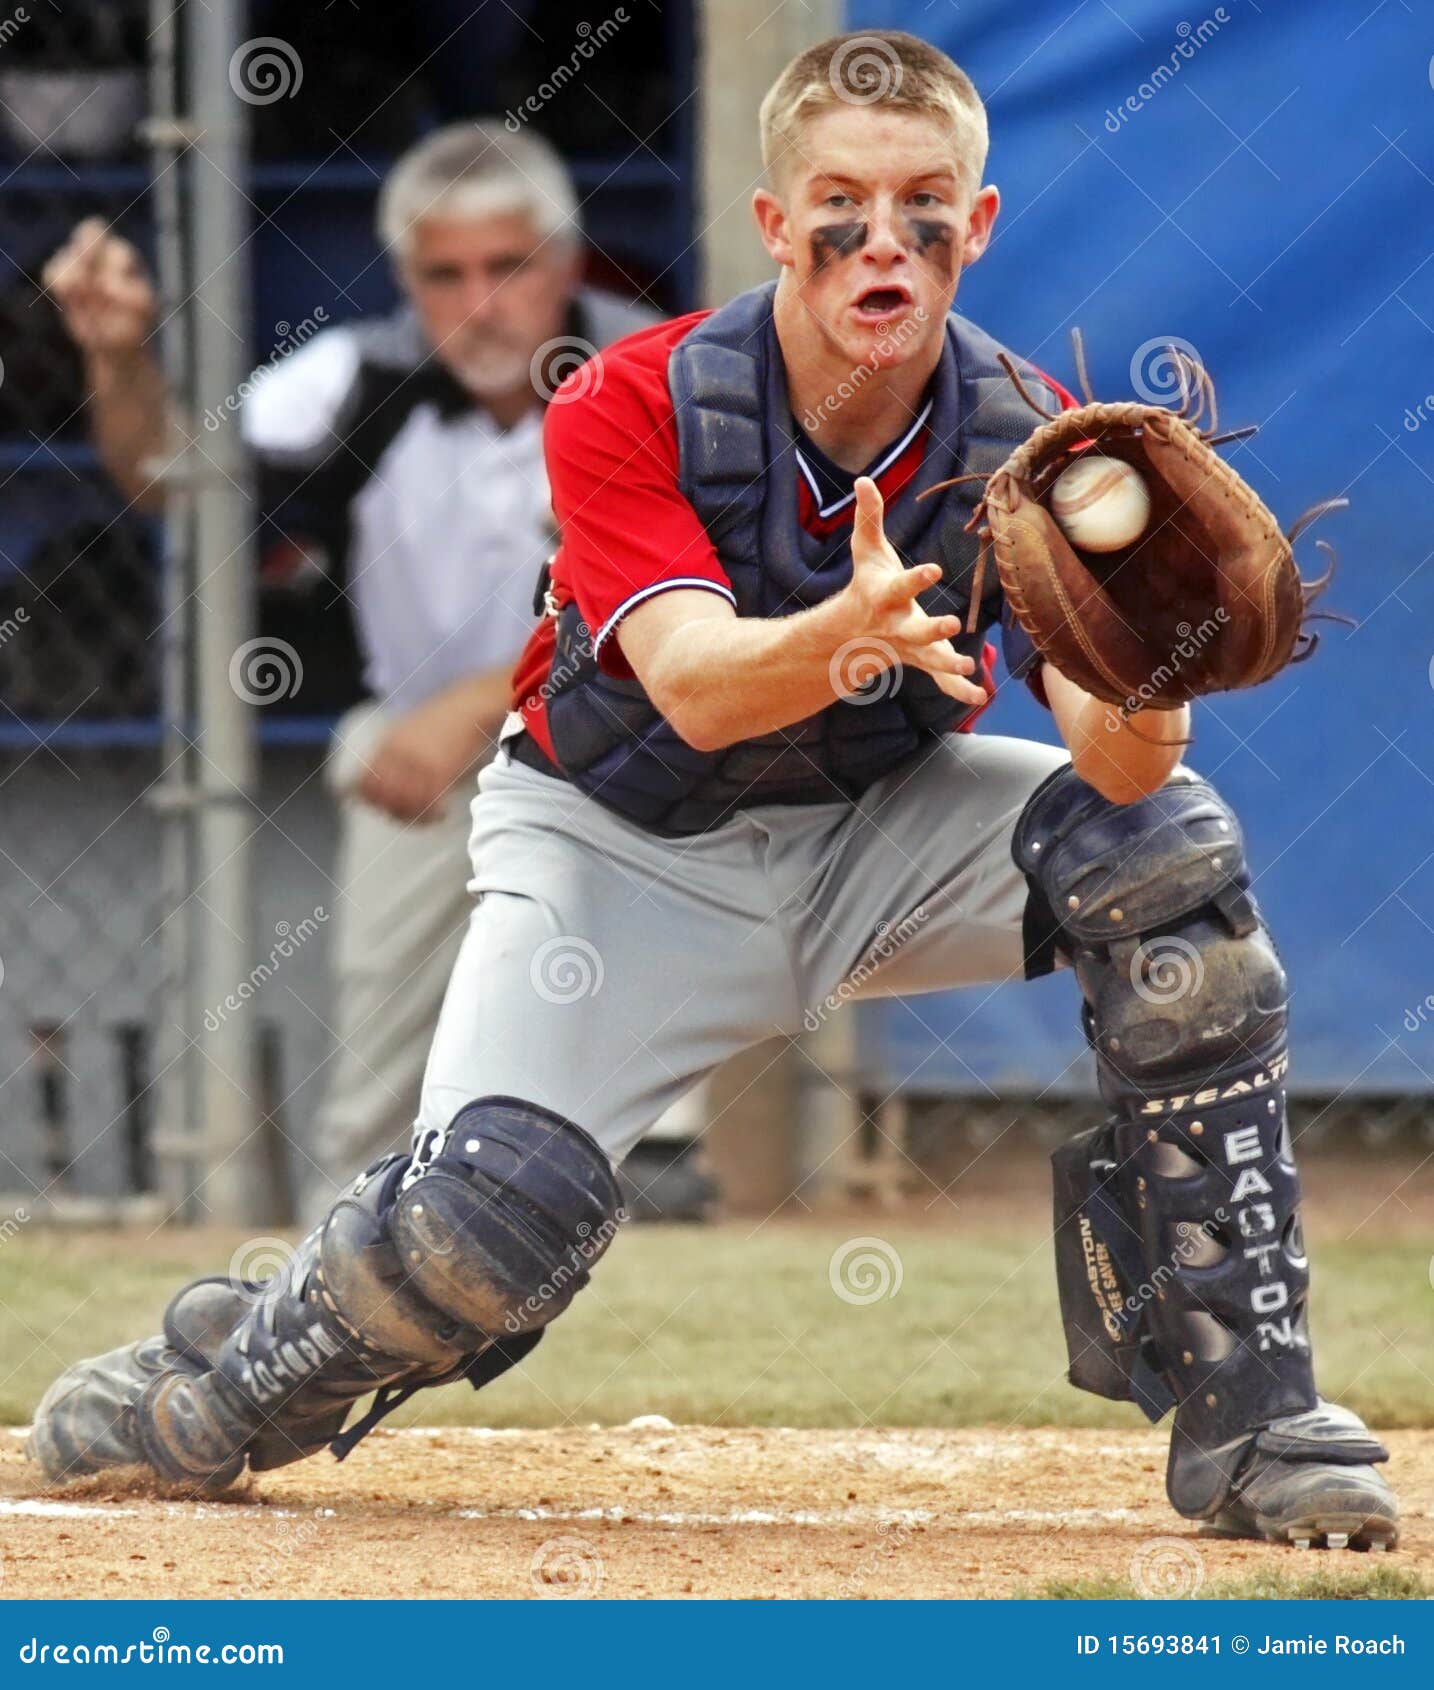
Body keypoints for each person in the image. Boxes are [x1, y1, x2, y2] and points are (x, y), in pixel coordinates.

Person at [30, 32, 1398, 1551]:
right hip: (618, 854)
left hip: (874, 840)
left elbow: (1112, 758)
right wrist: (843, 635)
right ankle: (216, 1388)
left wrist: (1154, 679)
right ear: (772, 224)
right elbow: (689, 681)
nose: (882, 241)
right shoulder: (636, 397)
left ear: (980, 224)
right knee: (482, 1234)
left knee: (1166, 855)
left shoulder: (1022, 436)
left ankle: (1252, 1411)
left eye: (922, 206)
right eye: (840, 205)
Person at [42, 123, 662, 1220]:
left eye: (507, 267)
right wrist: (119, 355)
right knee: (376, 1102)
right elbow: (164, 473)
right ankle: (359, 1260)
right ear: (406, 282)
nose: (479, 303)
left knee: (650, 1077)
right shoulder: (358, 373)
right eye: (444, 274)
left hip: (627, 749)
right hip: (421, 766)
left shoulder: (649, 370)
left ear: (566, 265)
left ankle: (668, 1197)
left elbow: (660, 613)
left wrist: (475, 709)